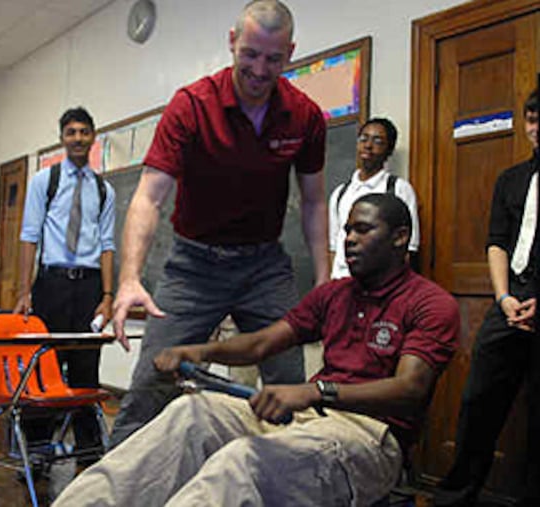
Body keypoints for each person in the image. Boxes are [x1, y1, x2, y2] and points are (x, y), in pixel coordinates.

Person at [53, 193, 459, 506]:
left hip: (369, 436)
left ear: (400, 237)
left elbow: (410, 389)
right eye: (346, 230)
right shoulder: (334, 295)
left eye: (362, 230)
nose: (349, 240)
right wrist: (197, 351)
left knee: (244, 461)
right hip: (308, 418)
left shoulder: (430, 302)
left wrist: (315, 392)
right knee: (191, 412)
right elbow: (264, 341)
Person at [108, 0, 329, 448]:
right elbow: (148, 197)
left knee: (290, 386)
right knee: (152, 384)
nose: (260, 69)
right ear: (232, 43)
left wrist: (324, 280)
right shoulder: (190, 105)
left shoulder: (305, 115)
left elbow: (313, 201)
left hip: (265, 266)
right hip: (193, 266)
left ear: (290, 52)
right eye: (250, 54)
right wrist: (129, 277)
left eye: (273, 58)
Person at [433, 90, 539, 507]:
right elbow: (496, 242)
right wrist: (503, 297)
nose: (535, 128)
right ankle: (456, 496)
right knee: (478, 402)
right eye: (530, 119)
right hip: (509, 303)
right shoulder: (510, 179)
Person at [14, 106, 116, 465]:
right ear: (62, 138)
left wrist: (107, 297)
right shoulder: (46, 180)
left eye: (83, 132)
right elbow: (29, 236)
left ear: (93, 137)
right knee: (46, 368)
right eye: (70, 132)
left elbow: (107, 245)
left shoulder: (105, 190)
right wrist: (25, 291)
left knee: (87, 368)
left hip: (88, 288)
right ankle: (38, 452)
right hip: (51, 284)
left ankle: (89, 452)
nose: (77, 138)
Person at [328, 117, 420, 279]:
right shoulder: (340, 193)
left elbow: (409, 248)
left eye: (377, 141)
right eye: (364, 138)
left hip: (380, 284)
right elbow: (333, 247)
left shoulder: (398, 189)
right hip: (342, 282)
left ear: (389, 150)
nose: (368, 145)